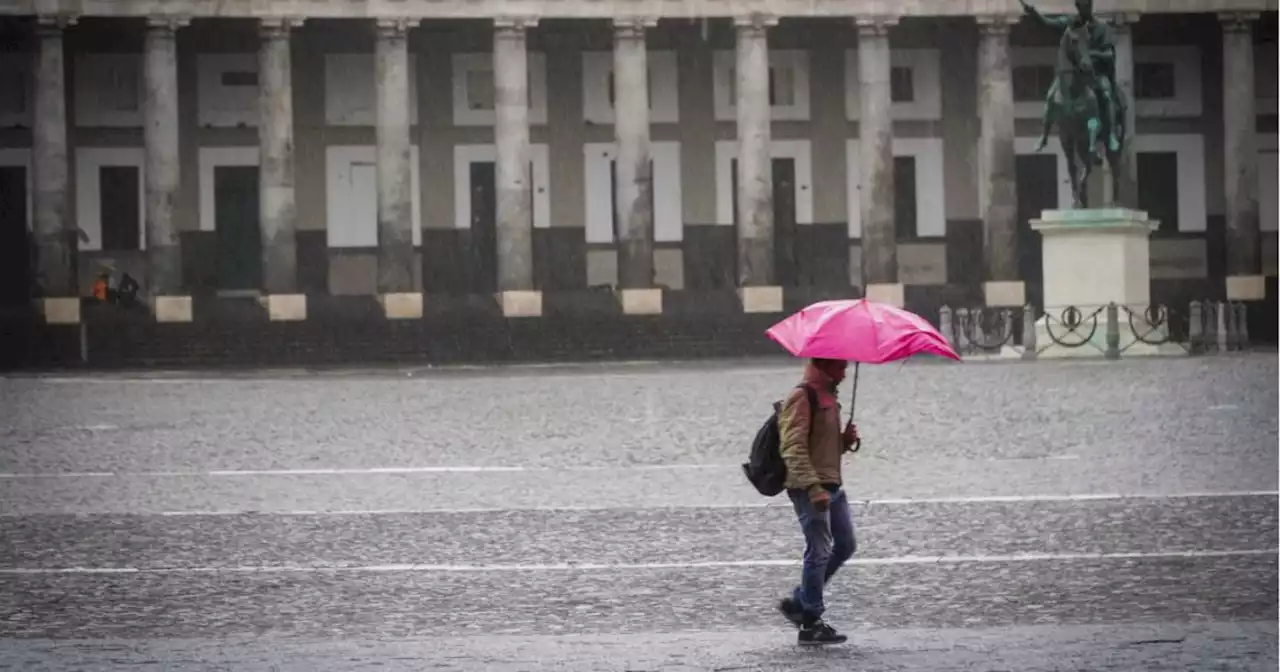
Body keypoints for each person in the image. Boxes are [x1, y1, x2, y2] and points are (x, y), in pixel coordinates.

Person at [774, 357, 860, 645]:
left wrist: (843, 441)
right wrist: (813, 488)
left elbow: (820, 443)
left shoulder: (828, 397)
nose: (845, 372)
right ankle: (810, 624)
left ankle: (801, 601)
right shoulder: (802, 396)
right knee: (819, 551)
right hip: (811, 487)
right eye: (840, 367)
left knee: (845, 544)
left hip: (832, 484)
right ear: (824, 366)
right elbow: (792, 446)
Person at [1021, 0, 1121, 156]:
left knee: (1106, 96)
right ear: (1077, 7)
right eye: (1081, 5)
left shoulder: (1102, 28)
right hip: (1071, 72)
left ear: (1091, 5)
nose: (1084, 8)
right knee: (1050, 97)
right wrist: (1033, 12)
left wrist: (1091, 54)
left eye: (1087, 5)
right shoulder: (1070, 24)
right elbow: (1048, 23)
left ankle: (1111, 134)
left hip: (1094, 72)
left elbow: (1109, 54)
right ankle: (1044, 136)